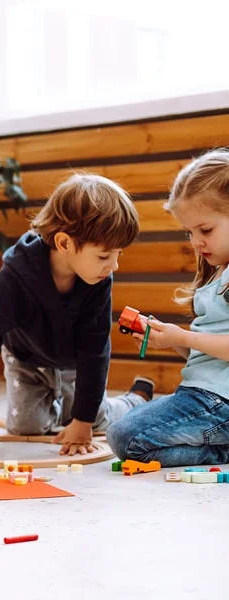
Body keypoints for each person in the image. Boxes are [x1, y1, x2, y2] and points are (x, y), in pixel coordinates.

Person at [0, 173, 153, 456]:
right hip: (26, 360)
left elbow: (95, 351)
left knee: (97, 419)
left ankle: (134, 400)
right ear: (64, 243)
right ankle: (61, 410)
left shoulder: (98, 279)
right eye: (105, 256)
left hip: (73, 363)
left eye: (118, 254)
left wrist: (83, 421)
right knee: (25, 426)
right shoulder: (17, 275)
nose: (114, 265)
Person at [108, 150, 229, 467]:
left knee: (125, 437)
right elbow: (208, 356)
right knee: (123, 433)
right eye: (189, 233)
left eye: (206, 230)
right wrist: (172, 339)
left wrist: (185, 337)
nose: (196, 242)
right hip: (204, 394)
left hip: (220, 401)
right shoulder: (215, 273)